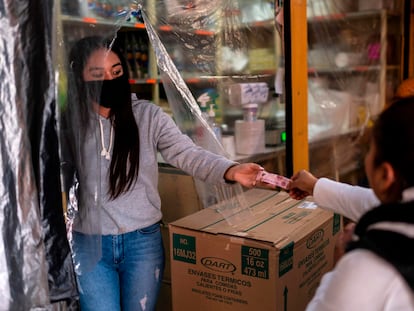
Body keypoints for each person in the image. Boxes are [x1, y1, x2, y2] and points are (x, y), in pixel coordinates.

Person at [62, 35, 265, 311]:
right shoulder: (67, 124)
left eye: (116, 71)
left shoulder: (148, 116)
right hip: (88, 245)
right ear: (79, 78)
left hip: (142, 244)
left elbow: (188, 154)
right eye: (98, 74)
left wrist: (230, 170)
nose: (110, 79)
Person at [288, 97, 414, 310]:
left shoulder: (370, 266)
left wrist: (340, 265)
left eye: (369, 151)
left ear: (385, 174)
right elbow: (373, 203)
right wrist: (316, 186)